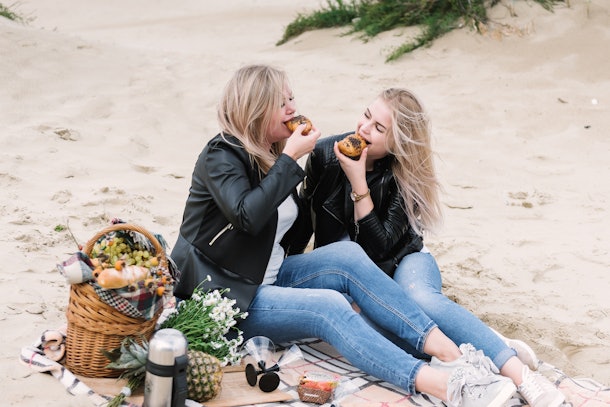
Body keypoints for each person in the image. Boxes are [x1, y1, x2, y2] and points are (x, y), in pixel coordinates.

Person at [171, 64, 518, 406]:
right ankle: (445, 387)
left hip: (269, 275)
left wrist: (291, 161)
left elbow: (294, 230)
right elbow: (247, 216)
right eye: (282, 103)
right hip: (230, 297)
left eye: (292, 99)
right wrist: (291, 158)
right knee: (329, 306)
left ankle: (452, 355)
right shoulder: (222, 155)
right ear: (256, 109)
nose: (293, 108)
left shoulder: (270, 154)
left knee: (347, 256)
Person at [300, 87, 566, 407]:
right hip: (354, 277)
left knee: (421, 299)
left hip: (402, 261)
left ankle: (522, 375)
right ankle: (487, 342)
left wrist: (358, 181)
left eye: (379, 128)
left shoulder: (403, 173)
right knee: (374, 328)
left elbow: (379, 249)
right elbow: (302, 219)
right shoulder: (325, 155)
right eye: (366, 116)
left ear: (398, 143)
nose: (364, 128)